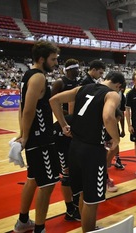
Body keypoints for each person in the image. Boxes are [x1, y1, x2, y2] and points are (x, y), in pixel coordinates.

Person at [50, 71, 125, 232]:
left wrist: (64, 125)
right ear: (118, 86)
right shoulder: (112, 95)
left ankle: (88, 227)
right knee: (92, 201)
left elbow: (54, 100)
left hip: (75, 148)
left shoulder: (82, 88)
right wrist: (116, 139)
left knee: (84, 195)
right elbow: (108, 117)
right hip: (92, 152)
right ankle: (89, 229)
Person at [14, 41, 60, 233]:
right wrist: (25, 137)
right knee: (47, 184)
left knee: (32, 178)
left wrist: (24, 133)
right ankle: (39, 229)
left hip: (36, 137)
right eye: (53, 59)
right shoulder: (39, 77)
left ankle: (23, 221)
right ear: (42, 59)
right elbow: (28, 109)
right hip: (41, 140)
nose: (56, 63)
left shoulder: (28, 75)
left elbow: (22, 106)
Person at [51, 58, 81, 221]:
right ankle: (70, 209)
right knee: (67, 174)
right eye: (76, 69)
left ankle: (75, 204)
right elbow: (51, 103)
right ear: (69, 69)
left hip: (72, 127)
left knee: (75, 171)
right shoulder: (59, 83)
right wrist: (63, 120)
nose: (78, 71)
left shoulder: (77, 83)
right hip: (61, 130)